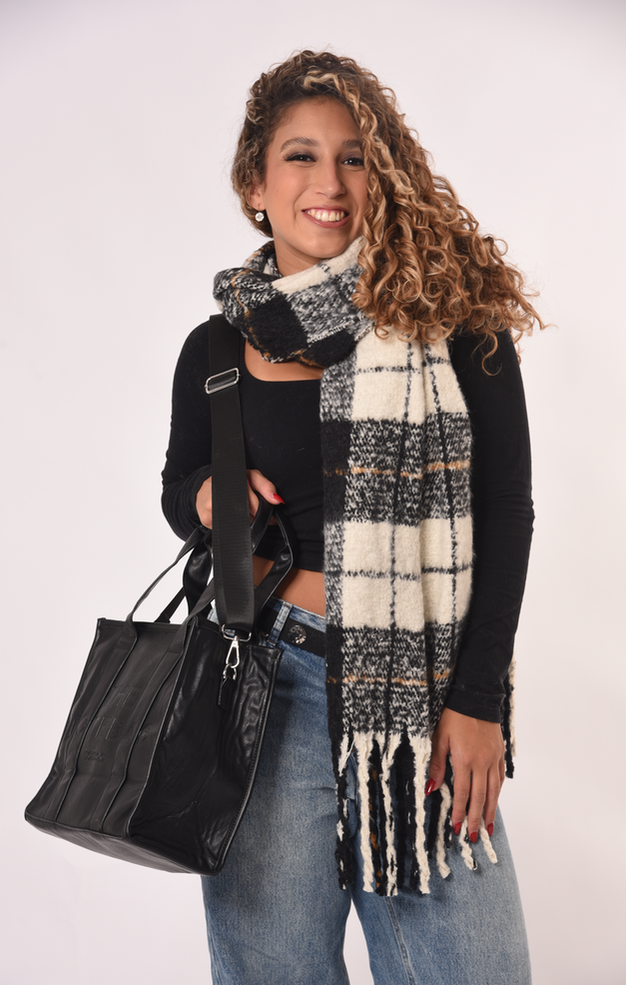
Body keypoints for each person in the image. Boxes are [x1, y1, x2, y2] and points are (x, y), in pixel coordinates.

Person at [162, 50, 540, 985]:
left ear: (384, 176)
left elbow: (505, 509)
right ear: (255, 185)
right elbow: (179, 486)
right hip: (262, 685)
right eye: (299, 156)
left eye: (354, 158)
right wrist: (205, 494)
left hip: (423, 691)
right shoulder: (216, 345)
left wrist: (476, 700)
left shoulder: (457, 323)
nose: (328, 183)